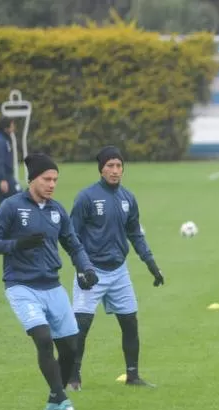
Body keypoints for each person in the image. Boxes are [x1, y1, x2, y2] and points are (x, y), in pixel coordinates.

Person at [0, 153, 99, 410]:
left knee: (71, 347)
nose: (52, 184)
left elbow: (73, 244)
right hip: (21, 286)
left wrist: (87, 268)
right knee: (44, 339)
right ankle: (63, 399)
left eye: (55, 179)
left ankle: (52, 399)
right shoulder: (11, 207)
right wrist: (16, 244)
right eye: (47, 179)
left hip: (53, 287)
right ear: (33, 179)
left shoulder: (57, 210)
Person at [67, 146, 164, 390]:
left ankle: (133, 375)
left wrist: (151, 264)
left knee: (130, 322)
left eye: (119, 165)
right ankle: (73, 376)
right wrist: (81, 268)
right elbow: (71, 236)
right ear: (101, 169)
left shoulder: (128, 198)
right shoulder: (86, 197)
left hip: (119, 271)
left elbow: (135, 234)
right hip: (91, 270)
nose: (115, 170)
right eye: (110, 165)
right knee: (81, 325)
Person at [0, 117, 19, 205]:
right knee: (19, 197)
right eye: (12, 125)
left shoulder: (2, 138)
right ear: (6, 128)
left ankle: (3, 219)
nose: (14, 127)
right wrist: (2, 179)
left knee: (5, 205)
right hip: (5, 177)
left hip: (4, 176)